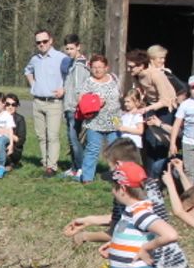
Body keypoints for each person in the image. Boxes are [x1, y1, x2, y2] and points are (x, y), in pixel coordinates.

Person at [24, 29, 70, 176]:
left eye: (44, 41)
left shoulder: (62, 58)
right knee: (41, 136)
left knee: (53, 136)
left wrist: (64, 89)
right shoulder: (35, 59)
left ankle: (52, 166)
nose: (41, 44)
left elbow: (72, 76)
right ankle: (45, 161)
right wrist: (33, 85)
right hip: (37, 101)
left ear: (51, 41)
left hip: (54, 103)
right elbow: (27, 71)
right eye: (38, 42)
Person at [75, 54, 122, 183]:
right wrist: (95, 102)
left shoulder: (114, 79)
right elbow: (81, 100)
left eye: (100, 67)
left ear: (106, 67)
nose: (97, 70)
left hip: (114, 119)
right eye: (94, 67)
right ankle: (87, 177)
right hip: (95, 121)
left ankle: (117, 176)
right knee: (93, 149)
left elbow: (120, 95)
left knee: (116, 149)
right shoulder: (88, 82)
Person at [62, 35, 90, 175]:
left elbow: (79, 89)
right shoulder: (72, 63)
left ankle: (80, 167)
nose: (69, 51)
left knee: (75, 139)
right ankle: (74, 167)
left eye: (72, 48)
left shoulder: (79, 65)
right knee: (72, 138)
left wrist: (78, 107)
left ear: (78, 47)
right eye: (67, 48)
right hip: (69, 106)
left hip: (75, 108)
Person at [5, 93, 28, 169]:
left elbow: (21, 141)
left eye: (13, 104)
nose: (10, 107)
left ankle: (11, 163)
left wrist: (8, 133)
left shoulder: (20, 119)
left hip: (14, 149)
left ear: (17, 106)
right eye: (7, 104)